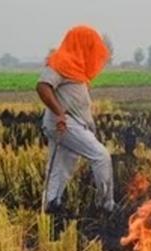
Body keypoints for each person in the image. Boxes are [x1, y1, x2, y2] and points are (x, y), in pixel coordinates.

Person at [36, 25, 115, 216]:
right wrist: (60, 113)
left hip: (74, 123)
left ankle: (51, 206)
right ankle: (107, 206)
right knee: (101, 156)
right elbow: (43, 86)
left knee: (60, 167)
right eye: (90, 45)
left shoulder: (77, 68)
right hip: (64, 123)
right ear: (80, 43)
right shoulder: (60, 62)